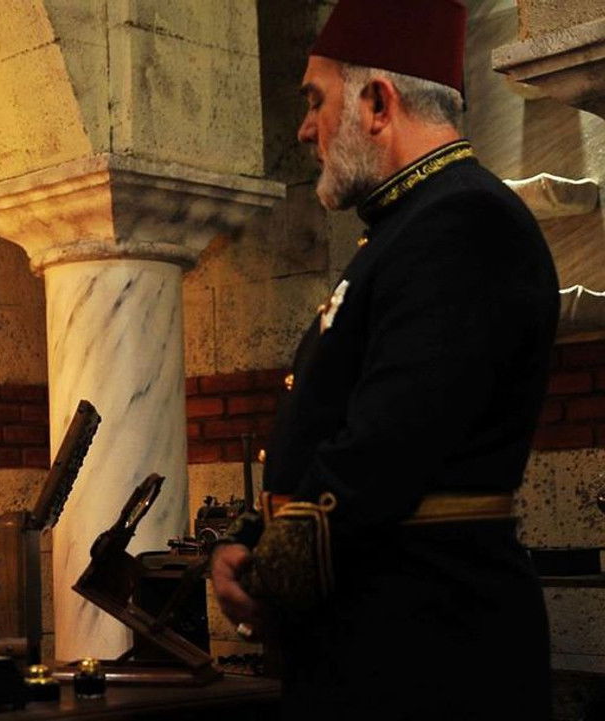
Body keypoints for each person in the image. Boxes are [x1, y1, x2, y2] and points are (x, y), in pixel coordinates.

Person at [210, 2, 557, 719]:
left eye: (316, 100)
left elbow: (382, 452)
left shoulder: (465, 222)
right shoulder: (408, 227)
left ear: (376, 102)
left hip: (429, 653)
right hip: (383, 640)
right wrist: (250, 539)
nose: (305, 128)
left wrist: (263, 578)